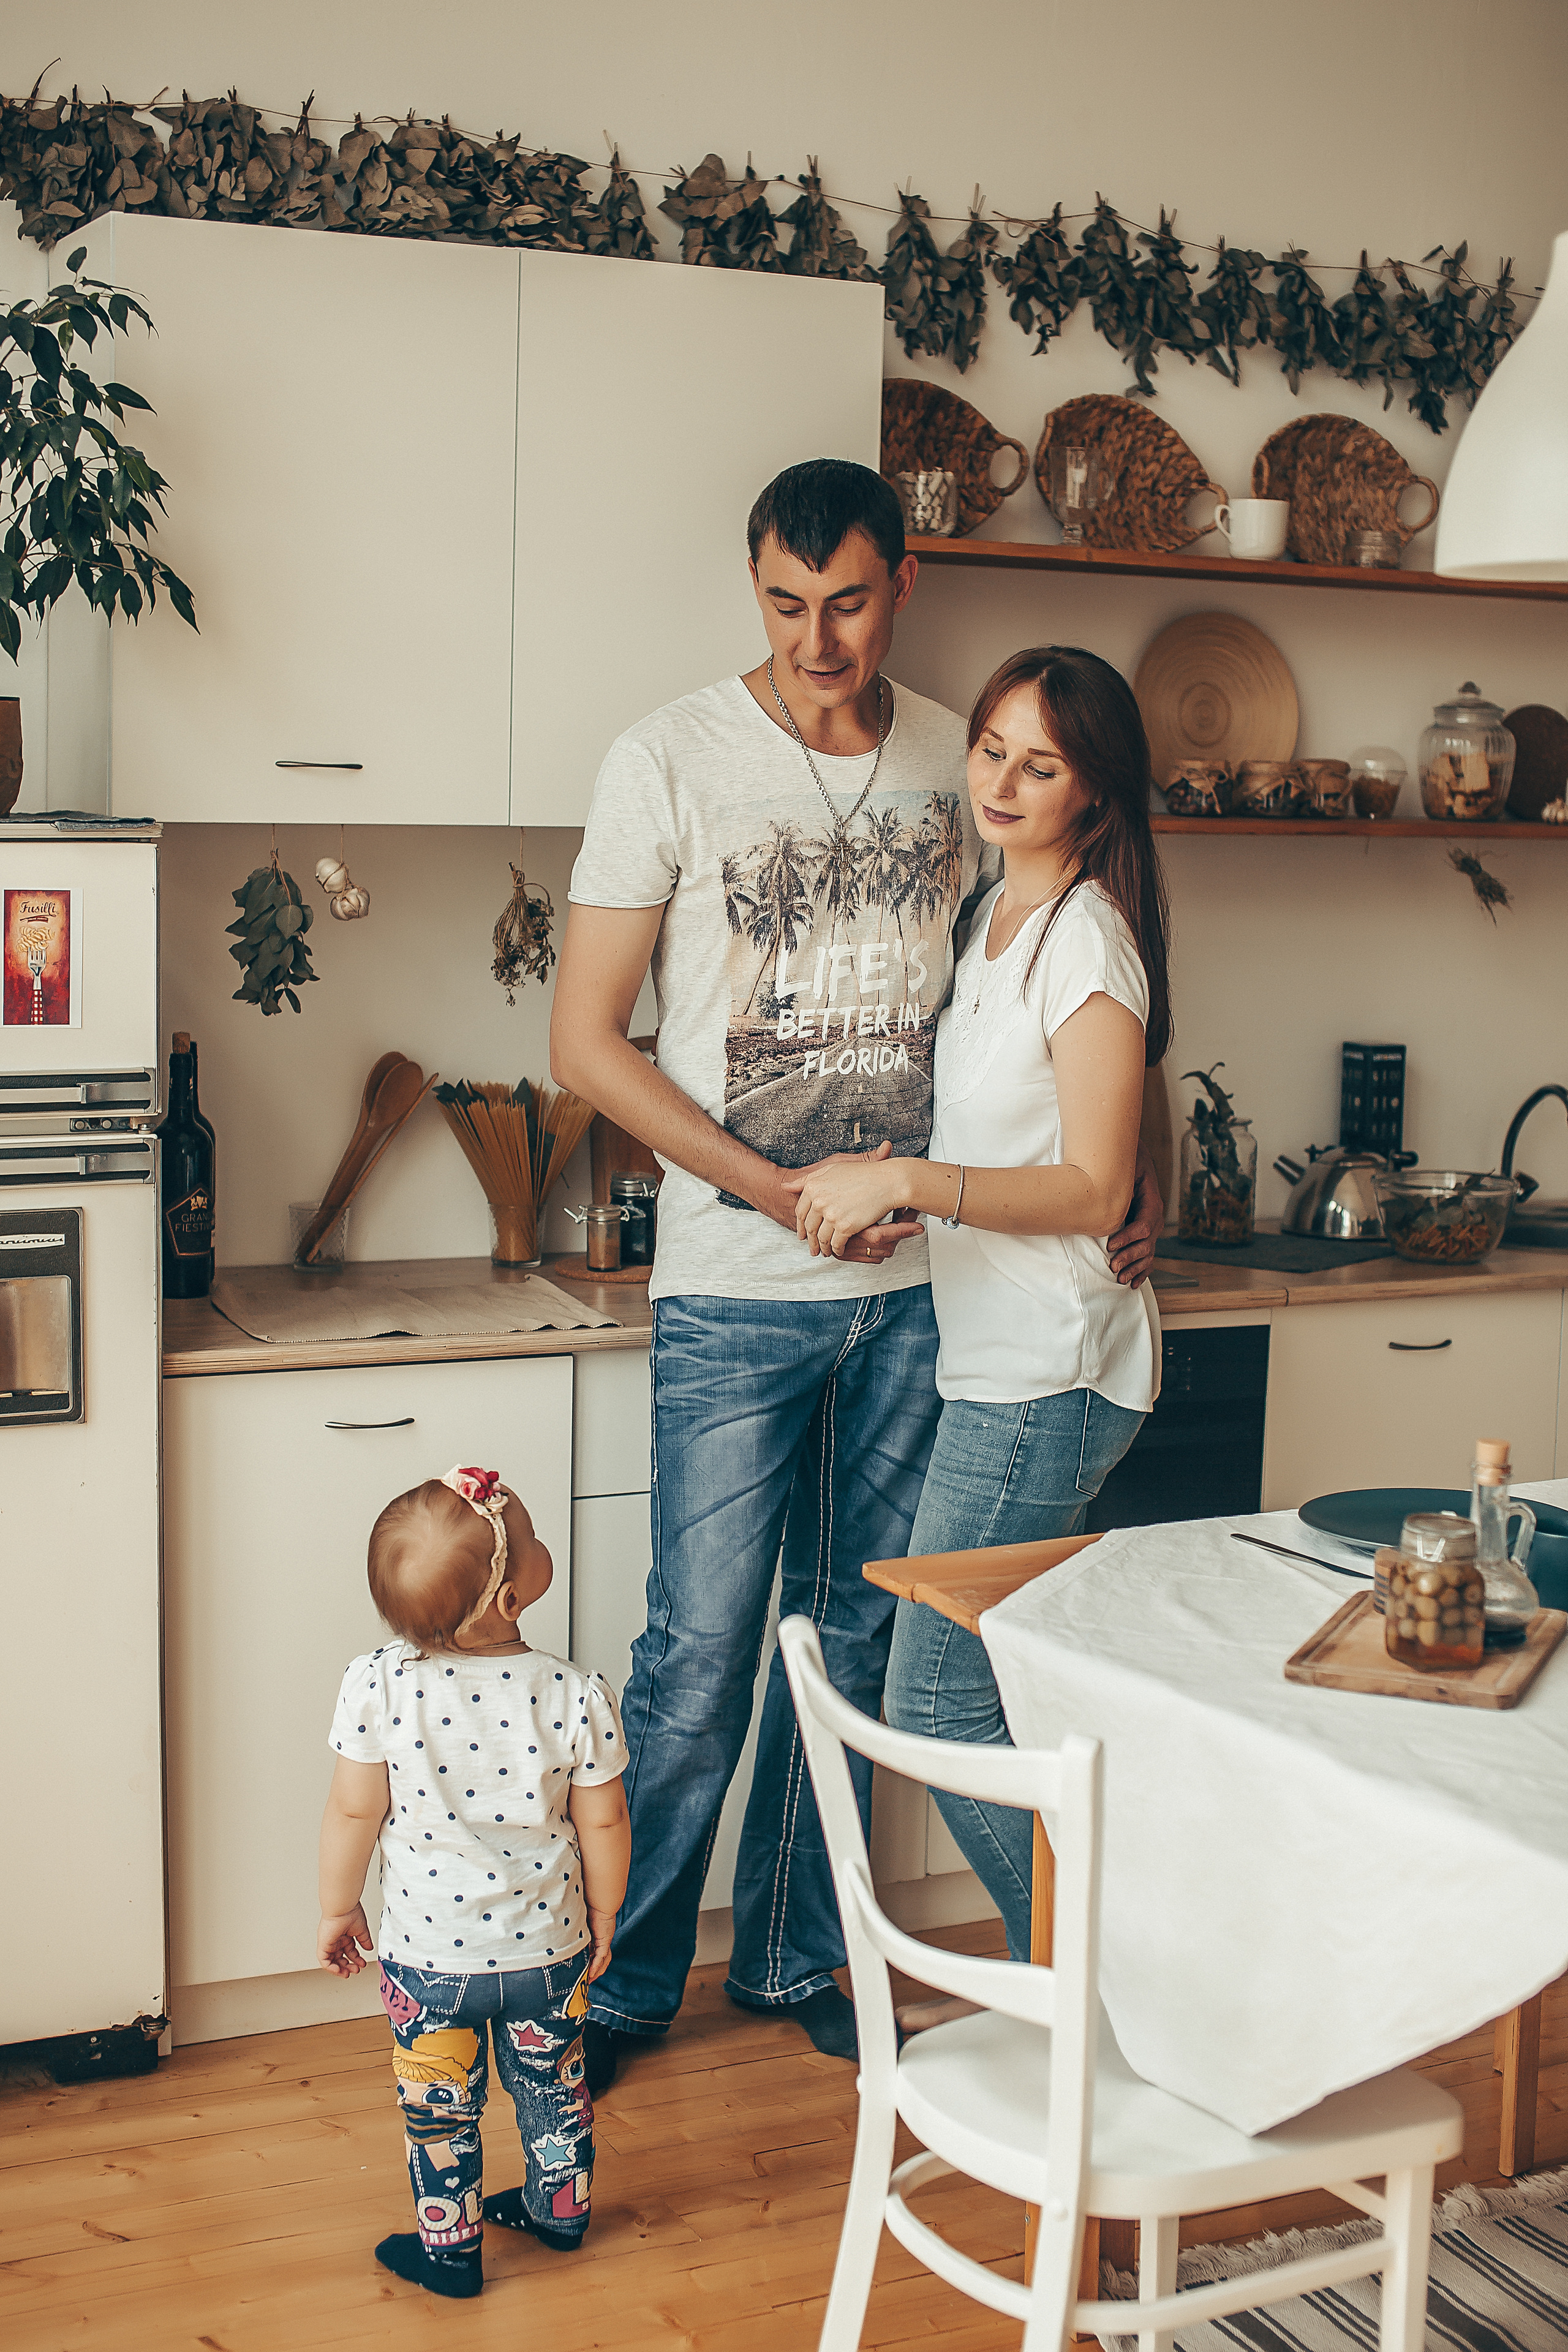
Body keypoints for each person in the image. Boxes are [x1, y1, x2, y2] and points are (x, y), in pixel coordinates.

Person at [550, 462, 1162, 2090]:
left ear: (903, 581)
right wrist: (773, 1190)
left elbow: (1074, 984)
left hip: (923, 1309)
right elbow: (579, 1041)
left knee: (858, 1641)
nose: (817, 639)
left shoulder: (969, 764)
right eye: (782, 602)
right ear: (752, 586)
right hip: (737, 1293)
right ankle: (625, 1985)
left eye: (848, 600)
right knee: (696, 1659)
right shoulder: (667, 757)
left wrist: (1136, 1169)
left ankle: (804, 1946)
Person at [790, 645, 1170, 1970]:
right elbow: (1044, 1140)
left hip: (1048, 1378)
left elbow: (1090, 1181)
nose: (1002, 780)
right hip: (998, 1364)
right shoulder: (986, 922)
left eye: (1041, 762)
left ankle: (1104, 1988)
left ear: (1094, 792)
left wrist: (915, 1179)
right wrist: (923, 1202)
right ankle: (1113, 1987)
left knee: (937, 1699)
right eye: (992, 750)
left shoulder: (1086, 941)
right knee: (988, 1694)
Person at [316, 1464, 630, 2300]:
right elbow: (604, 1822)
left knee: (440, 2113)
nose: (538, 1548)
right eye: (526, 1543)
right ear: (510, 1599)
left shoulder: (377, 1684)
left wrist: (338, 1906)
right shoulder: (574, 1693)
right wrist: (605, 1913)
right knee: (556, 2088)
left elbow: (353, 1814)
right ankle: (560, 2210)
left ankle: (449, 2250)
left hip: (429, 1966)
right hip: (549, 1952)